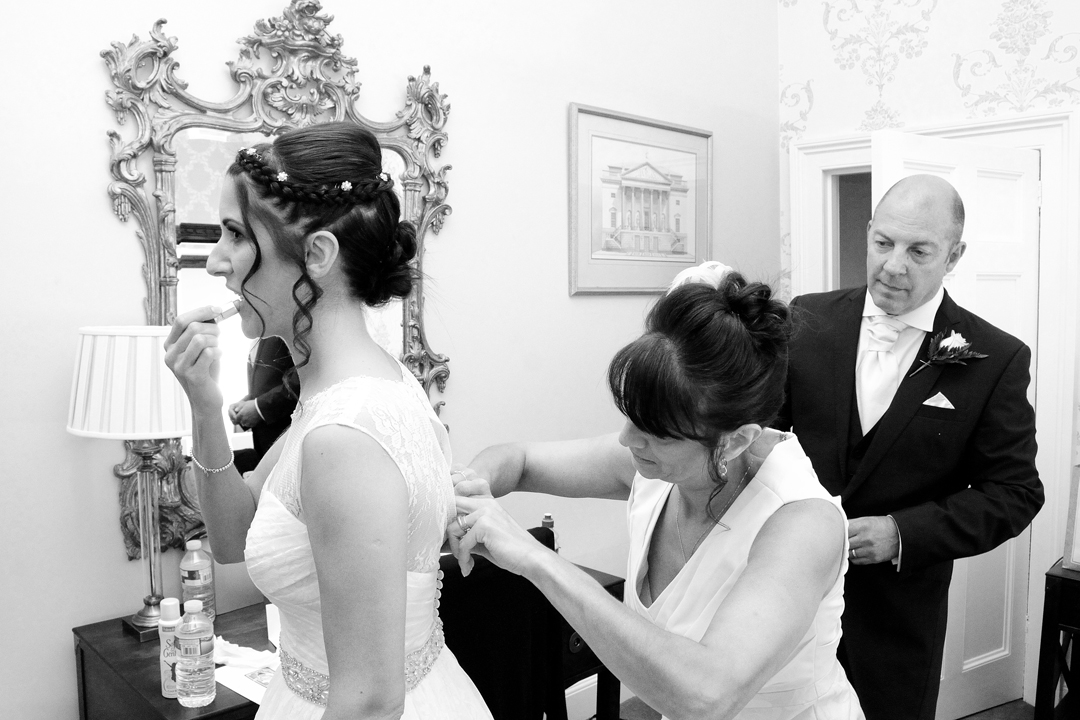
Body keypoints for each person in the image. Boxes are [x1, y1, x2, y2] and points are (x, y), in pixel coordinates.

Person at [164, 122, 493, 720]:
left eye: (235, 235)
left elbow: (369, 702)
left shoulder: (343, 434)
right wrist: (206, 407)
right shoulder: (354, 389)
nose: (214, 261)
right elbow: (233, 538)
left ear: (316, 255)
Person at [449, 264, 865, 720]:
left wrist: (533, 558)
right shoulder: (649, 465)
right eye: (631, 416)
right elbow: (519, 460)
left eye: (657, 432)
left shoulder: (802, 524)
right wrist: (468, 487)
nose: (627, 440)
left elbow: (708, 694)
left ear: (736, 439)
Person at [774, 174, 1044, 720]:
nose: (894, 265)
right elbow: (766, 440)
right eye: (883, 243)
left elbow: (1016, 492)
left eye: (919, 250)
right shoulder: (806, 318)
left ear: (954, 255)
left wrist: (902, 533)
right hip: (785, 599)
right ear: (869, 233)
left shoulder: (995, 357)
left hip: (897, 622)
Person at [229, 335, 299, 474]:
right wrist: (244, 404)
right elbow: (267, 384)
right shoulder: (257, 336)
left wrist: (259, 407)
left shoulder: (284, 328)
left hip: (287, 438)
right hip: (264, 441)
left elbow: (300, 379)